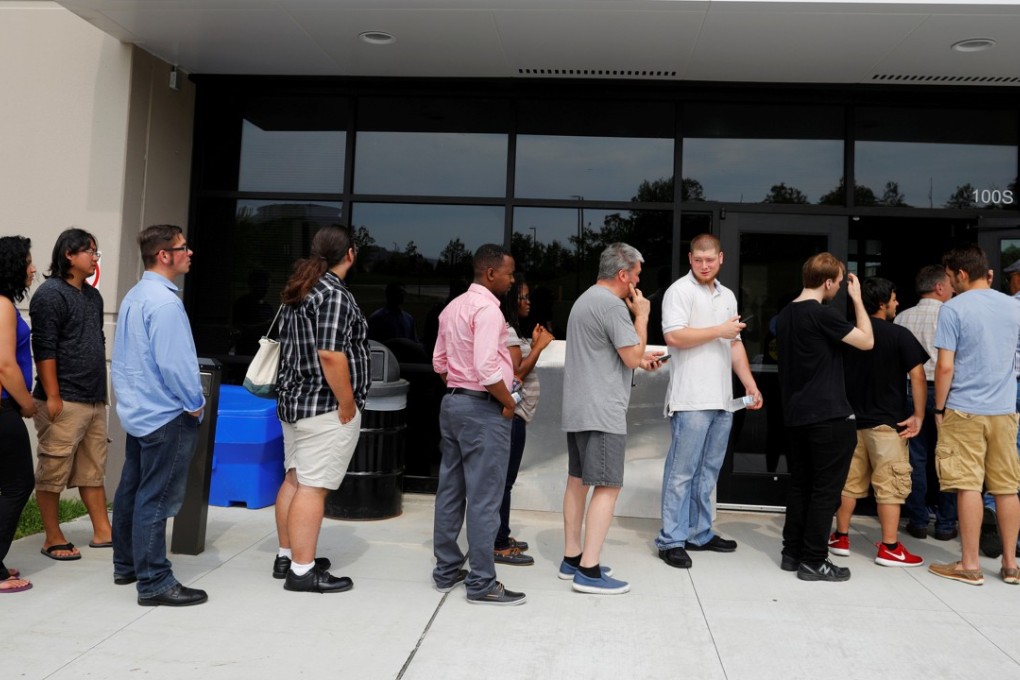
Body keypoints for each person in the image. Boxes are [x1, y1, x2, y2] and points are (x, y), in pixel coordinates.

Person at [111, 225, 208, 607]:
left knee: (132, 491)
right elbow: (175, 363)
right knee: (157, 498)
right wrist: (194, 400)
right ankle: (154, 582)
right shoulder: (165, 303)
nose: (190, 253)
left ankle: (127, 564)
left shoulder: (136, 295)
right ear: (164, 255)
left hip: (139, 412)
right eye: (183, 248)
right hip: (166, 415)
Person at [561, 243, 664, 594]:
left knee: (578, 480)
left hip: (578, 407)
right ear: (623, 274)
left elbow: (618, 355)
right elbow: (633, 356)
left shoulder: (585, 300)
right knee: (608, 485)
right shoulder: (612, 306)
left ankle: (572, 557)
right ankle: (588, 571)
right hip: (602, 411)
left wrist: (638, 357)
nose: (638, 282)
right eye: (637, 275)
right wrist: (643, 316)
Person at [655, 234, 762, 570]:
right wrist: (718, 329)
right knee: (681, 473)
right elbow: (674, 337)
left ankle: (699, 533)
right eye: (698, 259)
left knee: (707, 473)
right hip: (690, 399)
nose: (704, 265)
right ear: (690, 258)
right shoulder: (679, 292)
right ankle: (671, 540)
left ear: (721, 258)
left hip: (722, 400)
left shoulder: (727, 296)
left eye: (710, 259)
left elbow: (734, 345)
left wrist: (750, 385)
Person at [273, 225, 370, 593]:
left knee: (295, 479)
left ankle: (288, 555)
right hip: (325, 407)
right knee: (313, 488)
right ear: (349, 254)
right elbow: (330, 353)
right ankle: (302, 571)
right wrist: (347, 402)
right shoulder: (333, 295)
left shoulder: (300, 288)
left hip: (295, 403)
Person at [432, 244, 523, 605]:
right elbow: (487, 369)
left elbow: (440, 363)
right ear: (490, 274)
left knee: (451, 490)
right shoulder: (488, 311)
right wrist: (507, 403)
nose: (512, 280)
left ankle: (446, 570)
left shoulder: (452, 307)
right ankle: (482, 582)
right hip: (483, 409)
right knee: (485, 497)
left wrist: (460, 391)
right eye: (509, 273)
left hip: (453, 403)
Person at [777, 252, 873, 582]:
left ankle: (792, 554)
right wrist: (858, 300)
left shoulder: (787, 314)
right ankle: (815, 560)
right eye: (838, 284)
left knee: (801, 486)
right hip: (829, 416)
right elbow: (867, 341)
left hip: (797, 416)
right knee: (825, 492)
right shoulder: (822, 314)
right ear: (829, 282)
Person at [928, 245, 1020, 586]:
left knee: (968, 485)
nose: (949, 284)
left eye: (951, 278)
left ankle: (970, 564)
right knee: (1007, 488)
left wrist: (939, 408)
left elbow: (945, 366)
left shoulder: (953, 309)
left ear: (962, 274)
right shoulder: (1014, 306)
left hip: (965, 409)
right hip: (1005, 409)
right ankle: (1011, 565)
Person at [829, 277, 928, 568]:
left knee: (848, 483)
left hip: (851, 421)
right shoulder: (899, 335)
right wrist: (919, 414)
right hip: (888, 424)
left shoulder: (848, 334)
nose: (897, 303)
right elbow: (918, 376)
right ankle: (890, 547)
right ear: (883, 303)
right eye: (895, 299)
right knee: (890, 487)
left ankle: (841, 537)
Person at [29, 228, 112, 561]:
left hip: (93, 399)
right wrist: (52, 396)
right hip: (63, 398)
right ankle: (52, 536)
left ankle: (103, 532)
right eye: (90, 252)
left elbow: (97, 344)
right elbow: (44, 348)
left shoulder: (93, 297)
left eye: (96, 253)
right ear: (69, 255)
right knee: (53, 470)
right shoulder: (50, 294)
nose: (95, 258)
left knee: (93, 469)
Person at [493, 274, 554, 567]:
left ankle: (501, 533)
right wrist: (539, 346)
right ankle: (499, 543)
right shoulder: (507, 330)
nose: (528, 302)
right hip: (511, 415)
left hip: (517, 415)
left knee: (506, 481)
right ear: (511, 300)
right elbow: (516, 373)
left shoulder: (514, 330)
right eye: (524, 297)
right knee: (504, 482)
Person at [894, 265, 958, 541]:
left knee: (916, 457)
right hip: (948, 393)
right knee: (949, 457)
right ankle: (945, 525)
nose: (954, 291)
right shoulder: (952, 314)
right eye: (951, 286)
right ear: (940, 287)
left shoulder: (902, 317)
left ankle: (918, 521)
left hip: (911, 391)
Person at [0, 236, 38, 593]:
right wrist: (27, 403)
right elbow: (6, 365)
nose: (33, 268)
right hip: (3, 408)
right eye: (27, 261)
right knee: (17, 483)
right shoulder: (3, 307)